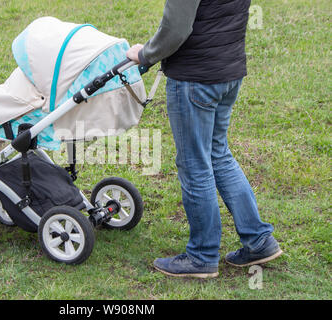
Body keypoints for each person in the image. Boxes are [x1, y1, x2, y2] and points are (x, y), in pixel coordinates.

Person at [126, 0, 282, 278]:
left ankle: (201, 256)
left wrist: (146, 54)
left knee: (195, 164)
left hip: (195, 78)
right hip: (228, 71)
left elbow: (176, 29)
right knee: (217, 154)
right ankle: (258, 240)